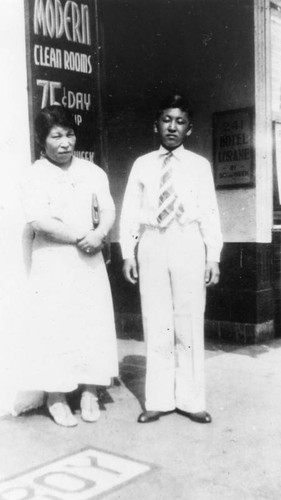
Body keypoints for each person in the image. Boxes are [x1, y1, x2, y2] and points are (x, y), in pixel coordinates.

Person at [119, 94, 223, 424]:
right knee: (156, 317)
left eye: (180, 122)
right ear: (156, 125)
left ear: (189, 129)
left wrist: (213, 255)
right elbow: (130, 213)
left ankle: (191, 400)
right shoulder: (142, 164)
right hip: (152, 241)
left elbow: (209, 212)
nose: (172, 127)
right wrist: (128, 252)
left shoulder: (199, 166)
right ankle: (159, 399)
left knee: (188, 320)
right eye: (166, 120)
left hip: (187, 240)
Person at [19, 105, 118, 427]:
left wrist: (100, 234)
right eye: (56, 136)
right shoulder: (34, 175)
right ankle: (56, 396)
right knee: (55, 324)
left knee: (91, 320)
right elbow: (39, 219)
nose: (65, 143)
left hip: (88, 260)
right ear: (41, 140)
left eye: (69, 134)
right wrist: (81, 236)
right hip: (53, 260)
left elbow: (107, 208)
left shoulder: (91, 172)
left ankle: (90, 390)